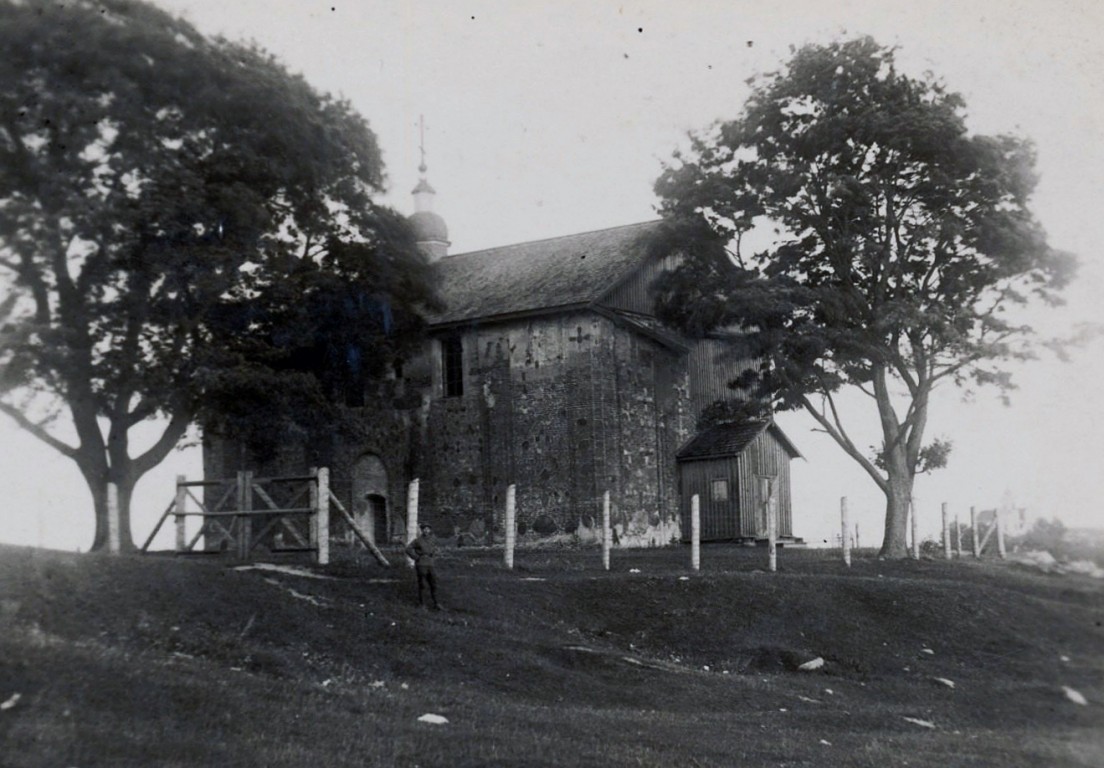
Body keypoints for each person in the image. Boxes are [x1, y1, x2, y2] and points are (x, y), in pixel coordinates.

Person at [405, 523, 442, 610]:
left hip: (431, 564)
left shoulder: (433, 539)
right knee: (422, 584)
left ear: (430, 530)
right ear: (422, 530)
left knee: (433, 583)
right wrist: (416, 557)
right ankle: (422, 604)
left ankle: (436, 603)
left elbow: (436, 548)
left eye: (428, 529)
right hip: (421, 564)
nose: (426, 530)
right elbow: (408, 549)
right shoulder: (418, 540)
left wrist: (435, 555)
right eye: (424, 529)